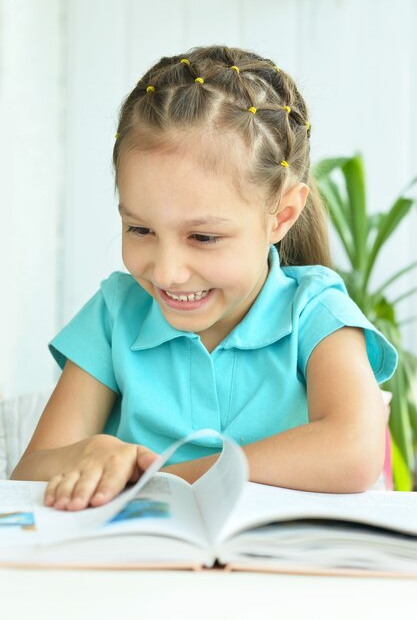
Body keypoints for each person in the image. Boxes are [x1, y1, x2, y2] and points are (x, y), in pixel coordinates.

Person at [12, 45, 397, 510]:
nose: (168, 272)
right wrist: (94, 453)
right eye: (140, 229)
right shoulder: (116, 313)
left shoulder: (316, 313)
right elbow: (28, 476)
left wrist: (156, 479)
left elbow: (354, 452)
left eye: (203, 237)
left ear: (281, 216)